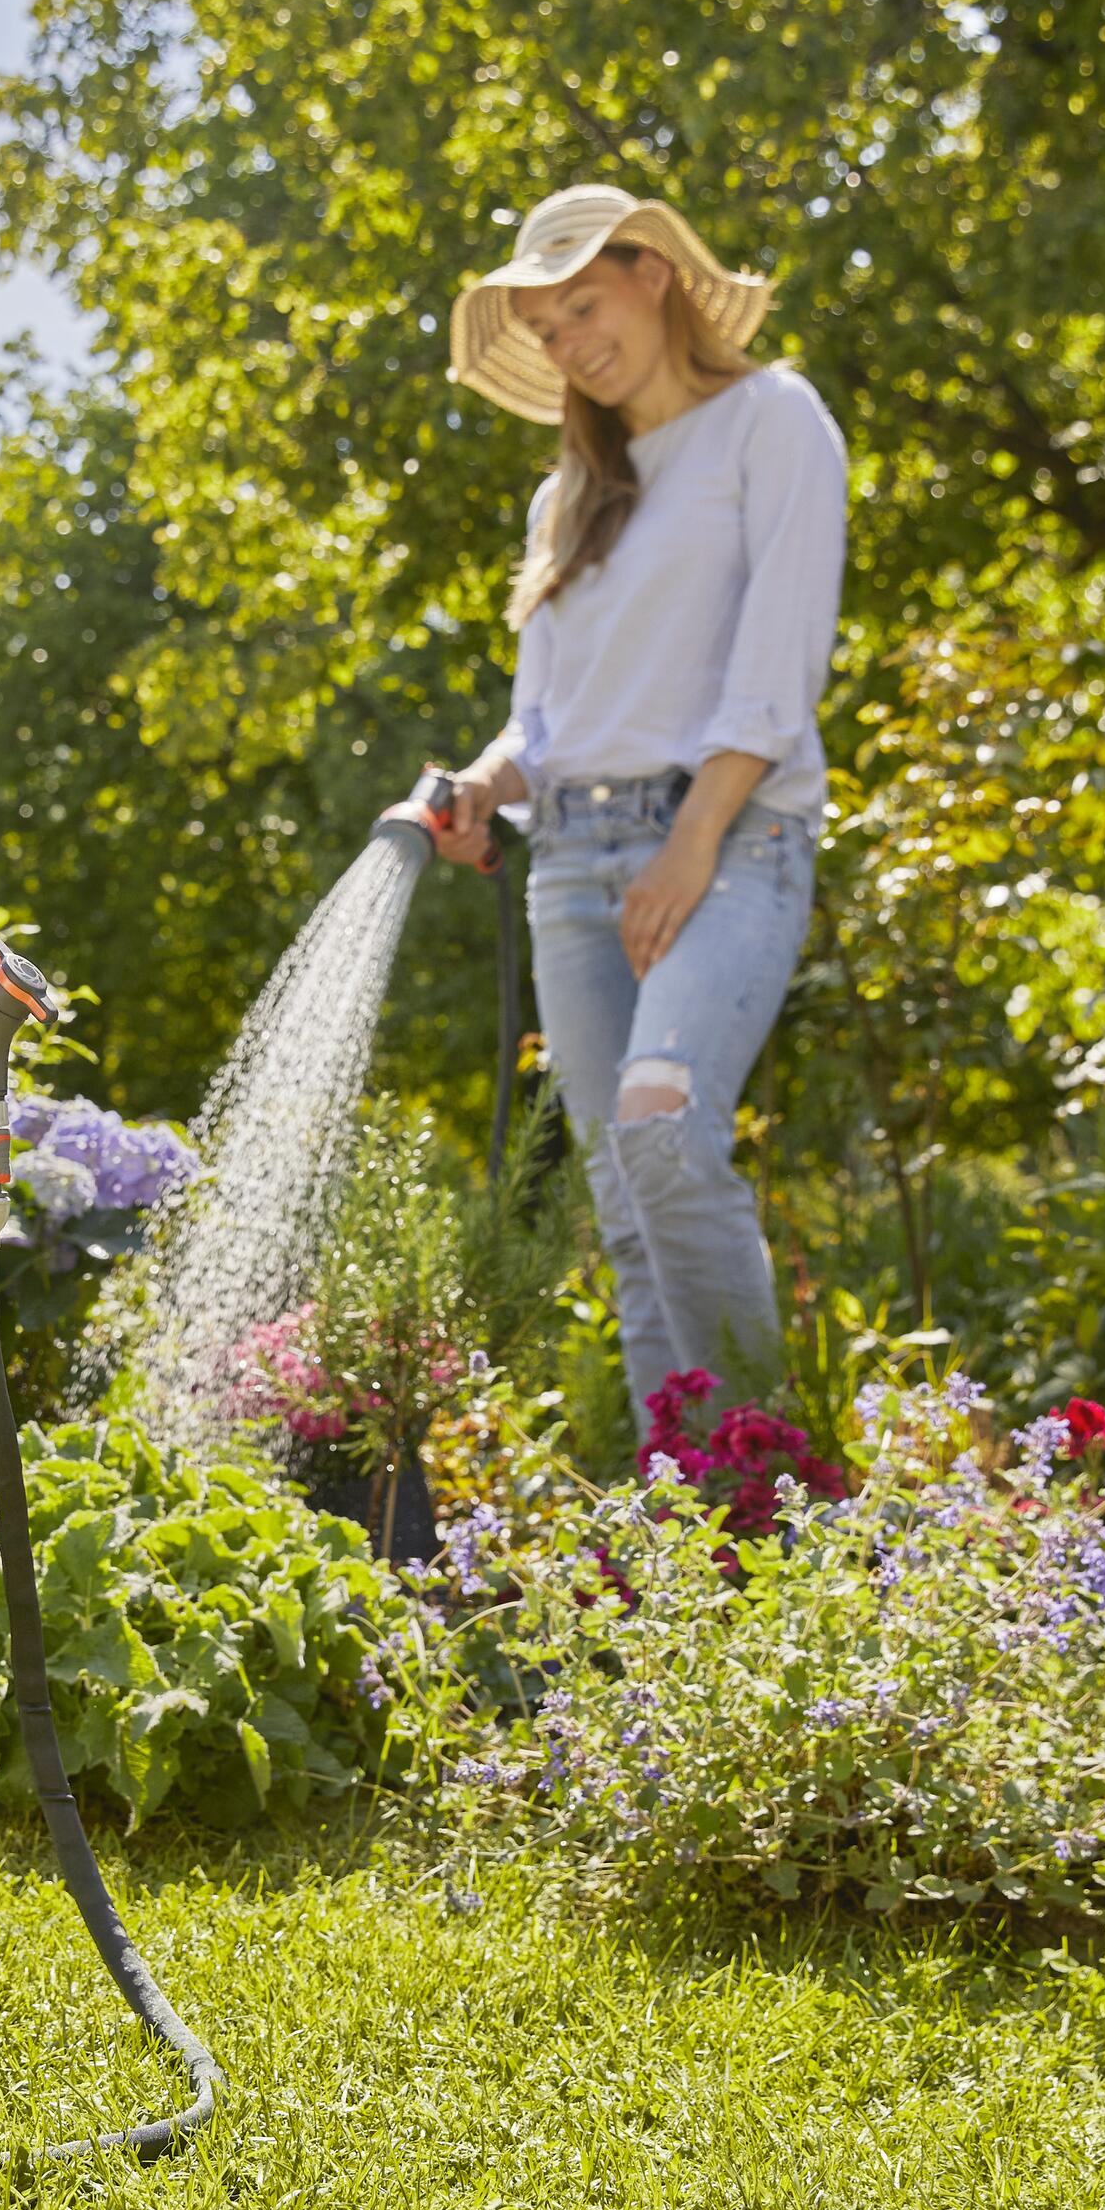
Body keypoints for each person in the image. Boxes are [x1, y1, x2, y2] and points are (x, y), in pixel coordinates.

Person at [387, 183, 847, 1414]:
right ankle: (687, 1513)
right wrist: (483, 781)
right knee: (627, 1210)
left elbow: (780, 661)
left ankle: (775, 1481)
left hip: (731, 837)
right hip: (574, 862)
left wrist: (692, 840)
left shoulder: (770, 420)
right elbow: (546, 720)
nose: (566, 343)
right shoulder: (567, 498)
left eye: (579, 305)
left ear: (654, 273)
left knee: (661, 1126)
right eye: (542, 329)